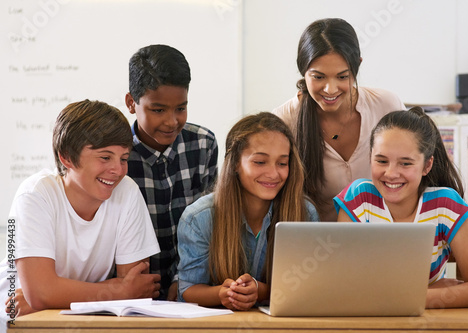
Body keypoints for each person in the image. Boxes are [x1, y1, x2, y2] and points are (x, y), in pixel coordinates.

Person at [0, 100, 161, 321]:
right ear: (66, 157)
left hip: (70, 316)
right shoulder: (35, 194)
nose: (118, 170)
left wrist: (52, 295)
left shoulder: (127, 192)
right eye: (105, 157)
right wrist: (118, 292)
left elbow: (139, 288)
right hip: (14, 316)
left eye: (124, 158)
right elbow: (40, 294)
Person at [334, 107, 468, 308]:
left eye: (406, 163)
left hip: (427, 323)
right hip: (368, 321)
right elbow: (343, 286)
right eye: (381, 161)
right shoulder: (358, 198)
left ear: (427, 166)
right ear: (370, 158)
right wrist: (429, 292)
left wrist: (410, 298)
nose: (391, 173)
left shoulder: (446, 205)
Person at [177, 112, 319, 310]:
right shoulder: (198, 218)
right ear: (235, 163)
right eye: (260, 162)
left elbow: (311, 289)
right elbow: (187, 291)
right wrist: (223, 294)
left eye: (282, 163)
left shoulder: (305, 214)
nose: (273, 173)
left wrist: (260, 291)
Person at [273, 18, 405, 221]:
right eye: (318, 77)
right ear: (303, 70)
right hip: (314, 245)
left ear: (357, 67)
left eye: (342, 77)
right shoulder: (283, 121)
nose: (330, 89)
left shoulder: (386, 106)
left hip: (384, 240)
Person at [125, 45, 218, 301]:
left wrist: (183, 279)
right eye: (158, 110)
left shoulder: (203, 144)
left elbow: (208, 222)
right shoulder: (116, 155)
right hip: (131, 291)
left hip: (191, 284)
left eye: (180, 108)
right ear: (131, 103)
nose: (171, 121)